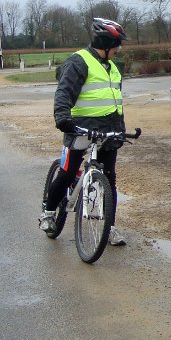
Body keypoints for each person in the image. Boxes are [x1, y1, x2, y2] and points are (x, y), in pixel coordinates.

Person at [40, 17, 129, 245]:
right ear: (107, 43)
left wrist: (120, 130)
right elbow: (64, 93)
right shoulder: (79, 62)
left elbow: (113, 101)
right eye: (117, 44)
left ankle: (108, 228)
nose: (119, 49)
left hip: (108, 133)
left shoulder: (112, 68)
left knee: (109, 180)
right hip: (80, 129)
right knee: (68, 172)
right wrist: (62, 117)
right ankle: (49, 213)